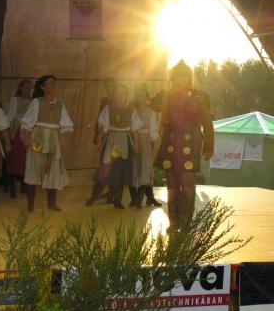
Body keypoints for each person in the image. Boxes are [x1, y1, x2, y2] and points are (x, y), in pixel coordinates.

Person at [153, 60, 214, 233]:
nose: (181, 80)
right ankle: (174, 222)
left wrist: (209, 146)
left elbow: (207, 122)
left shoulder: (200, 97)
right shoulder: (167, 96)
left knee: (187, 184)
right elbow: (153, 104)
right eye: (177, 77)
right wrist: (170, 93)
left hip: (190, 146)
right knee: (172, 186)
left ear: (189, 78)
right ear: (172, 79)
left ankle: (187, 224)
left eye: (184, 76)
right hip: (171, 145)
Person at [21, 75, 73, 212]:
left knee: (52, 170)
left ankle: (52, 203)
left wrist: (67, 142)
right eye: (49, 83)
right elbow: (27, 122)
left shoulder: (60, 104)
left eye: (54, 83)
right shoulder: (36, 102)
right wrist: (26, 138)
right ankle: (30, 205)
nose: (53, 85)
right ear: (42, 87)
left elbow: (66, 125)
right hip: (38, 138)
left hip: (53, 139)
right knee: (33, 169)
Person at [86, 84, 142, 209]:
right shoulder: (108, 108)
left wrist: (136, 144)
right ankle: (94, 196)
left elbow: (135, 129)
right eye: (118, 92)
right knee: (104, 168)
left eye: (123, 93)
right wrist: (99, 142)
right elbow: (102, 127)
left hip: (125, 141)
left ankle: (117, 200)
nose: (121, 95)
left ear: (126, 95)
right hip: (111, 140)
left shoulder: (131, 109)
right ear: (114, 94)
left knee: (121, 170)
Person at [129, 85, 161, 208]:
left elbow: (153, 130)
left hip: (146, 141)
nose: (141, 98)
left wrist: (153, 144)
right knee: (134, 168)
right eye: (138, 95)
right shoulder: (133, 111)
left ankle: (144, 197)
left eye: (143, 95)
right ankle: (136, 198)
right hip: (134, 140)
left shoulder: (152, 113)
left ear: (147, 97)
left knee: (146, 169)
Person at [6, 79, 33, 198]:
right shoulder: (15, 100)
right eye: (26, 87)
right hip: (17, 131)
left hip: (28, 133)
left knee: (26, 158)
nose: (28, 90)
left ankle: (24, 186)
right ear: (21, 87)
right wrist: (7, 132)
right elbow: (10, 116)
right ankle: (12, 187)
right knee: (15, 158)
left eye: (30, 88)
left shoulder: (33, 101)